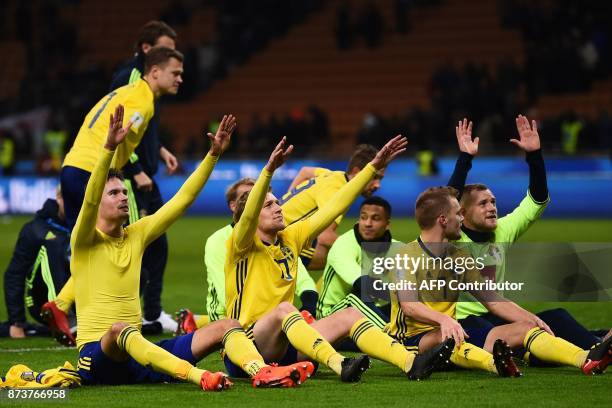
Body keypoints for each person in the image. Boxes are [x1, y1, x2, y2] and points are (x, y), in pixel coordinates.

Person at [72, 106, 312, 389]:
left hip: (139, 357)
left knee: (227, 326)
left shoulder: (136, 234)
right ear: (98, 202)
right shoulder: (84, 239)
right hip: (97, 357)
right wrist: (109, 149)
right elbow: (88, 201)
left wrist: (213, 156)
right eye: (114, 192)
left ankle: (261, 372)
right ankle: (199, 377)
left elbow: (183, 198)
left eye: (125, 191)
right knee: (119, 330)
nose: (124, 196)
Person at [223, 135, 455, 383]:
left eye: (277, 202)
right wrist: (268, 172)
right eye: (269, 205)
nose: (279, 207)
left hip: (284, 344)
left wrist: (372, 167)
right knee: (284, 310)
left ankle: (410, 362)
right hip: (246, 347)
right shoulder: (241, 242)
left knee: (351, 314)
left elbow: (334, 206)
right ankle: (339, 363)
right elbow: (247, 217)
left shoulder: (291, 236)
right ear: (254, 215)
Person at [385, 186, 611, 377]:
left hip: (450, 331)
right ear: (443, 220)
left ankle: (585, 359)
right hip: (411, 341)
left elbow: (491, 299)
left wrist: (531, 318)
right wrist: (444, 319)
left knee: (525, 328)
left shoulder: (458, 256)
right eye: (458, 214)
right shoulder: (406, 256)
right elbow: (409, 306)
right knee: (453, 337)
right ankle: (495, 364)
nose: (462, 219)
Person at [41, 46, 185, 343]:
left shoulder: (127, 91)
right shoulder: (143, 102)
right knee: (122, 242)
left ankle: (62, 305)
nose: (180, 79)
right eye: (175, 73)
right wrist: (135, 172)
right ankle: (96, 312)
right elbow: (117, 137)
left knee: (88, 248)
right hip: (94, 173)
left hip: (73, 167)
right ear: (155, 72)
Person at [448, 116, 610, 361]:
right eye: (483, 204)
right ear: (463, 214)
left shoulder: (502, 230)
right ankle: (590, 346)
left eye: (493, 201)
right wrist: (465, 159)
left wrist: (534, 156)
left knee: (556, 317)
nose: (492, 207)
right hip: (464, 319)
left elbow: (536, 201)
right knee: (519, 335)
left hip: (497, 313)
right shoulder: (452, 237)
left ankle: (598, 344)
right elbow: (447, 203)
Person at [175, 178, 318, 333]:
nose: (254, 202)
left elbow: (300, 275)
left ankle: (195, 321)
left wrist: (308, 305)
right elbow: (227, 294)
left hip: (270, 316)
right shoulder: (219, 240)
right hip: (231, 317)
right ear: (234, 206)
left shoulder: (276, 237)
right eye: (249, 198)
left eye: (258, 197)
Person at [110, 20, 180, 333]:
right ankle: (129, 313)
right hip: (128, 177)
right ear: (147, 49)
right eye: (166, 49)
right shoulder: (129, 79)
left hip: (145, 174)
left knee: (157, 244)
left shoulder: (150, 86)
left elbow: (141, 130)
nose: (173, 56)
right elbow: (119, 131)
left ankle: (150, 312)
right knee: (134, 245)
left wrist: (160, 149)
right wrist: (136, 170)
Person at [282, 144, 383, 270]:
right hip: (279, 240)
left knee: (342, 255)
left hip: (278, 230)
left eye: (380, 179)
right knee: (344, 258)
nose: (378, 185)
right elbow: (325, 237)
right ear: (357, 172)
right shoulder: (337, 191)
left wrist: (286, 198)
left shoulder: (334, 175)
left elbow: (305, 171)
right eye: (374, 177)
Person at [316, 196, 399, 328]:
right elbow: (362, 284)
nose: (367, 223)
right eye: (363, 217)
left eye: (375, 218)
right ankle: (394, 337)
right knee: (357, 298)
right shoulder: (343, 244)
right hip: (331, 315)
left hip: (369, 311)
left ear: (387, 224)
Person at [3, 188, 72, 341]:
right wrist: (17, 322)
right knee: (52, 245)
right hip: (41, 299)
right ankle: (60, 313)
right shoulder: (35, 229)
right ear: (59, 197)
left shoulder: (92, 221)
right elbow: (15, 274)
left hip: (80, 294)